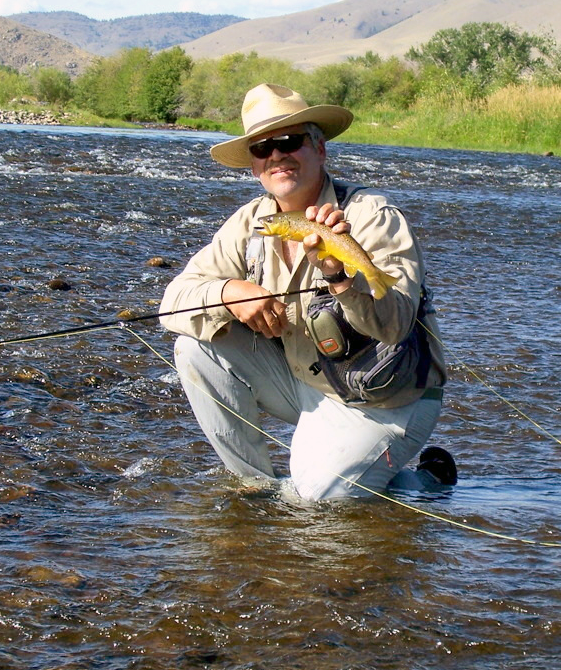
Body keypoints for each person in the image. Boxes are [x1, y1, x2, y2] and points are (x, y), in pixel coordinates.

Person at [159, 83, 455, 501]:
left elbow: (396, 327)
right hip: (306, 381)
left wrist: (340, 279)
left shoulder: (372, 215)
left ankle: (426, 481)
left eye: (288, 141)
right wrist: (230, 292)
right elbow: (172, 301)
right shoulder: (250, 224)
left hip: (386, 395)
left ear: (320, 149)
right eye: (261, 149)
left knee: (317, 496)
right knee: (195, 349)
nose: (276, 155)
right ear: (254, 167)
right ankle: (257, 489)